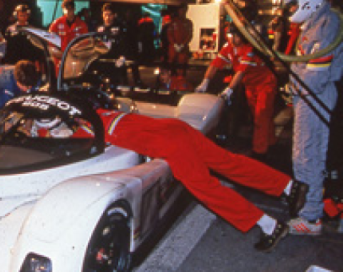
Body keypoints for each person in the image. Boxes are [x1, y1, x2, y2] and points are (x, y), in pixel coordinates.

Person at [87, 107, 308, 252]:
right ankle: (289, 186)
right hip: (175, 127)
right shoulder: (100, 111)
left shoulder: (81, 129)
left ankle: (270, 225)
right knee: (228, 162)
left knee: (209, 190)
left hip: (172, 146)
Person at [283, 0, 343, 235]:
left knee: (309, 154)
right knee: (303, 154)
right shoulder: (313, 23)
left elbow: (316, 75)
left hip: (314, 95)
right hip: (305, 95)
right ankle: (307, 208)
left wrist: (295, 86)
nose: (293, 9)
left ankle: (311, 217)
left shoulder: (327, 24)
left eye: (294, 3)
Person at [196, 24, 278, 160]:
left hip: (265, 84)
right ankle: (271, 142)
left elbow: (240, 72)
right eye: (231, 35)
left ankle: (260, 152)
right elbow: (215, 64)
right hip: (250, 85)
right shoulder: (229, 47)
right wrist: (205, 81)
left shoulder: (249, 50)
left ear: (243, 37)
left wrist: (229, 89)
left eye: (235, 36)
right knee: (260, 116)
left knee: (261, 115)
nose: (232, 38)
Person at [97, 3, 130, 87]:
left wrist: (123, 57)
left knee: (116, 86)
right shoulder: (99, 28)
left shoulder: (120, 27)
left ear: (114, 15)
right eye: (105, 14)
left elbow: (126, 44)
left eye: (110, 15)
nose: (108, 17)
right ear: (102, 15)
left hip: (116, 62)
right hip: (102, 62)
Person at [166, 3, 194, 77]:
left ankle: (181, 83)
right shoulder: (173, 22)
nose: (183, 11)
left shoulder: (188, 23)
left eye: (184, 10)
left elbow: (190, 35)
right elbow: (169, 34)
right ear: (178, 11)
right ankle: (172, 83)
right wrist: (174, 44)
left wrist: (183, 44)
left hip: (183, 48)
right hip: (173, 48)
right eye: (181, 10)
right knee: (172, 66)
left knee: (182, 67)